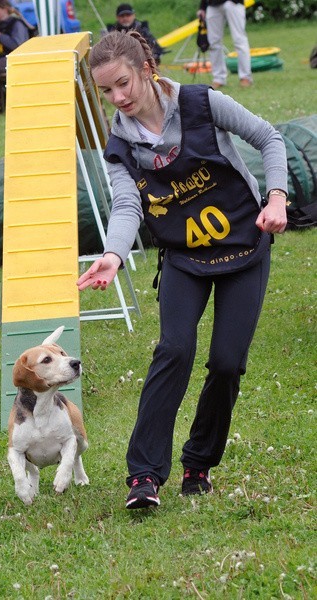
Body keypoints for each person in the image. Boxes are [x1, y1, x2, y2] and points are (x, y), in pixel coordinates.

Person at [76, 30, 288, 509]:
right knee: (173, 349)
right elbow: (128, 203)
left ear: (147, 70)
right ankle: (144, 477)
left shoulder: (202, 103)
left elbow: (268, 137)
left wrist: (276, 196)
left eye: (123, 84)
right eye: (106, 91)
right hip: (185, 258)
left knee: (227, 362)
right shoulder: (121, 145)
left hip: (243, 246)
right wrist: (113, 253)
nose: (118, 98)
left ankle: (198, 463)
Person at [197, 0, 252, 88]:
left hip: (233, 3)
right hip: (212, 4)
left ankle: (245, 77)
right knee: (213, 43)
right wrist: (202, 7)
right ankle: (218, 78)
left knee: (239, 40)